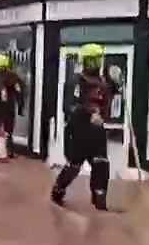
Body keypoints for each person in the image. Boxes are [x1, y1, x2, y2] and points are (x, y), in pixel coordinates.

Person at [51, 43, 121, 211]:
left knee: (101, 165)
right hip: (79, 132)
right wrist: (89, 114)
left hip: (97, 134)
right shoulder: (77, 81)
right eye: (93, 60)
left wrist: (117, 85)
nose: (96, 64)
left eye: (98, 60)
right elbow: (69, 106)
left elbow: (109, 103)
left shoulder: (103, 82)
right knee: (74, 166)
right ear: (86, 61)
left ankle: (100, 200)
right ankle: (58, 189)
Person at [0, 53, 25, 159]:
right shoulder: (11, 77)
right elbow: (19, 91)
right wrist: (21, 105)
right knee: (6, 128)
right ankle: (6, 149)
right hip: (6, 107)